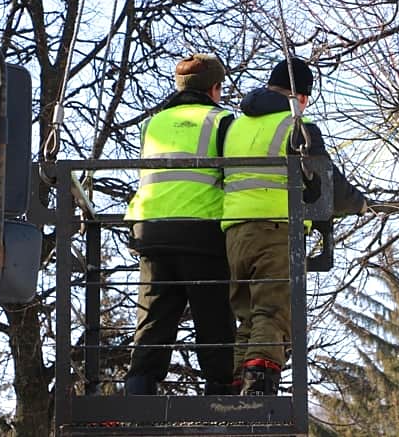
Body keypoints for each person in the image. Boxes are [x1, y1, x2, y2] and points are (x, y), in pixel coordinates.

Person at [222, 57, 367, 395]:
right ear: (301, 96)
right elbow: (325, 185)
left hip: (234, 234)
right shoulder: (296, 127)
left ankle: (234, 386)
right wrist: (360, 204)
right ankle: (259, 387)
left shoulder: (235, 127)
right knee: (273, 312)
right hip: (276, 230)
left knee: (249, 318)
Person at [124, 53, 236, 395]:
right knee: (213, 317)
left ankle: (139, 391)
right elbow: (232, 177)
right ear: (214, 88)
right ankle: (220, 391)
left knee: (154, 315)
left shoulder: (152, 124)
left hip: (152, 229)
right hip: (202, 230)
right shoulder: (222, 121)